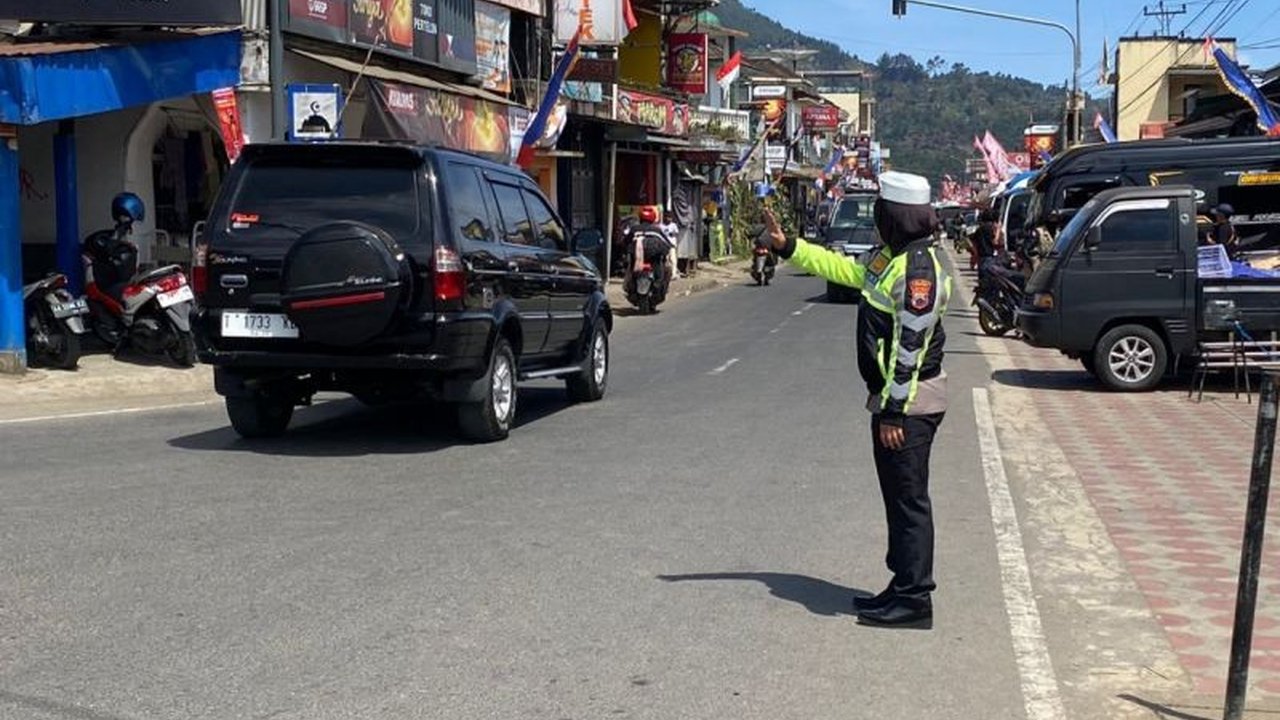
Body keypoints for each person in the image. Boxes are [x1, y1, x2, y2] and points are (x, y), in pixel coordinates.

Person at [762, 171, 952, 628]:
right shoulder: (893, 259)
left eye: (881, 212)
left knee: (909, 501)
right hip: (895, 401)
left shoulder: (919, 270)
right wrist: (789, 247)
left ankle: (914, 599)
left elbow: (910, 348)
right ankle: (901, 584)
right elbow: (845, 271)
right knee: (898, 499)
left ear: (896, 216)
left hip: (908, 405)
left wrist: (892, 411)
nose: (877, 221)